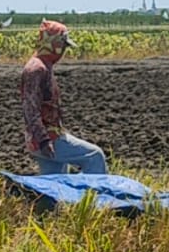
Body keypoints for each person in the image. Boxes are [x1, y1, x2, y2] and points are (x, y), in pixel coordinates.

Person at [20, 19, 108, 174]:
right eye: (62, 46)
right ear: (53, 44)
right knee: (95, 156)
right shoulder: (37, 69)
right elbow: (30, 109)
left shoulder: (43, 66)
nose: (63, 51)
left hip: (43, 139)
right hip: (49, 138)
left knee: (56, 187)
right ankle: (98, 197)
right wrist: (44, 140)